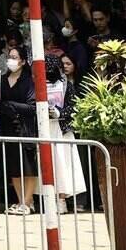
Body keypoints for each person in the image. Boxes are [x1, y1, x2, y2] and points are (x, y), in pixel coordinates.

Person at [46, 55, 87, 210]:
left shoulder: (66, 86)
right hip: (45, 128)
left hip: (61, 129)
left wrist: (58, 112)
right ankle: (49, 199)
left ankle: (61, 200)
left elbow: (73, 107)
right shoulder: (38, 85)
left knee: (62, 164)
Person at [0, 45, 37, 214]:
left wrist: (11, 105)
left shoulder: (28, 81)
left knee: (28, 167)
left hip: (24, 128)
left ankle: (28, 203)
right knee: (14, 167)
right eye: (10, 56)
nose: (11, 60)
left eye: (15, 57)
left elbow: (31, 106)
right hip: (7, 128)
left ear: (22, 61)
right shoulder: (2, 79)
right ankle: (20, 201)